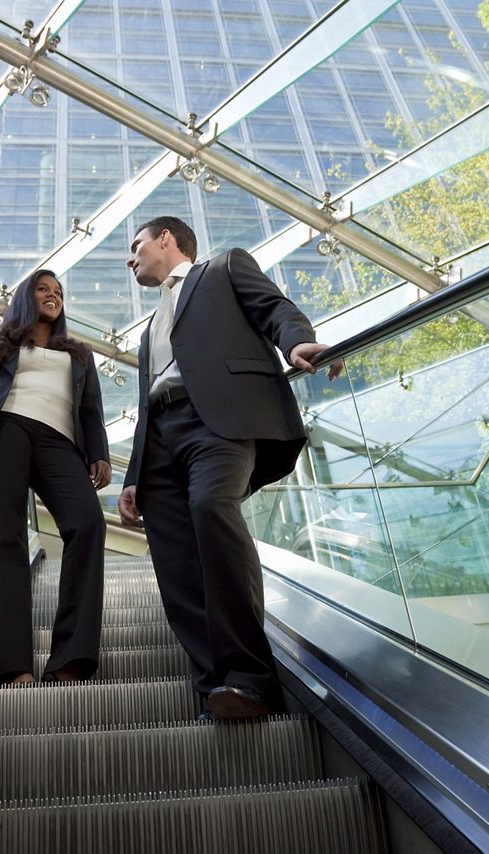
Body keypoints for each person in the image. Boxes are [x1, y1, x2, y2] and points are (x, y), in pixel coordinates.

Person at [118, 216, 341, 719]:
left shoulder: (223, 268)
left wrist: (296, 342)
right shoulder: (148, 330)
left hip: (219, 423)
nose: (130, 259)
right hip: (161, 442)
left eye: (136, 246)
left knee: (211, 506)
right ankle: (214, 688)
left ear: (166, 239)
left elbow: (273, 307)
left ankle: (249, 680)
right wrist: (134, 475)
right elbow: (145, 404)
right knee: (175, 564)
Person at [0, 269, 110, 685]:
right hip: (5, 432)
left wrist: (100, 454)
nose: (53, 295)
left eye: (58, 292)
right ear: (26, 297)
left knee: (88, 522)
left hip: (59, 442)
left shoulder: (79, 354)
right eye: (43, 289)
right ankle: (16, 665)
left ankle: (71, 658)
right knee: (8, 538)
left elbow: (90, 410)